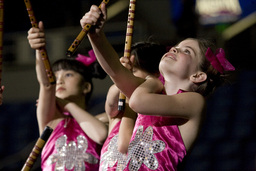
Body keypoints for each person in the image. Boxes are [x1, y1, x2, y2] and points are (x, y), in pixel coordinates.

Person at [81, 3, 235, 171]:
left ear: (198, 76)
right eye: (176, 46)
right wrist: (96, 36)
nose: (175, 49)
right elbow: (116, 73)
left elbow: (137, 102)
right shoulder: (150, 90)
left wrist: (151, 81)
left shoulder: (194, 101)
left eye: (187, 51)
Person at [27, 21, 108, 171]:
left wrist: (68, 105)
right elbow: (46, 85)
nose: (59, 81)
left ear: (86, 87)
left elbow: (101, 134)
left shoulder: (104, 119)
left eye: (68, 74)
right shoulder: (52, 119)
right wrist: (40, 51)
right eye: (55, 76)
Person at [98, 41, 166, 170]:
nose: (126, 76)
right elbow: (111, 99)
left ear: (156, 74)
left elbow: (125, 146)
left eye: (133, 71)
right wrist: (121, 78)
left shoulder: (159, 117)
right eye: (123, 72)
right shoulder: (117, 115)